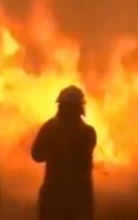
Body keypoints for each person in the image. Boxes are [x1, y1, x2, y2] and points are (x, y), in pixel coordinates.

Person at [30, 85, 97, 220]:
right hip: (80, 201)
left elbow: (37, 155)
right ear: (80, 108)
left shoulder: (50, 129)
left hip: (55, 199)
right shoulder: (88, 133)